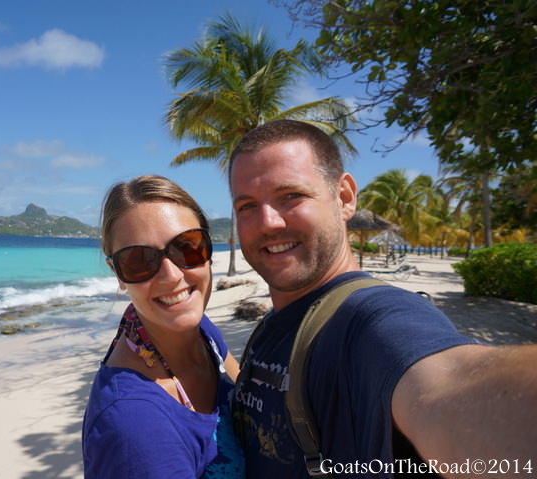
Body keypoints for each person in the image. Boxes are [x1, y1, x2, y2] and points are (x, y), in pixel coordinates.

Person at [228, 120, 537, 477]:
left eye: (291, 196)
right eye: (247, 206)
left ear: (344, 197)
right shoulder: (273, 324)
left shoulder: (372, 319)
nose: (268, 222)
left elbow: (453, 381)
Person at [82, 175, 245, 478]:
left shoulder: (202, 334)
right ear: (117, 273)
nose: (171, 276)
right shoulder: (134, 424)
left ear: (209, 250)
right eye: (139, 260)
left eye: (187, 248)